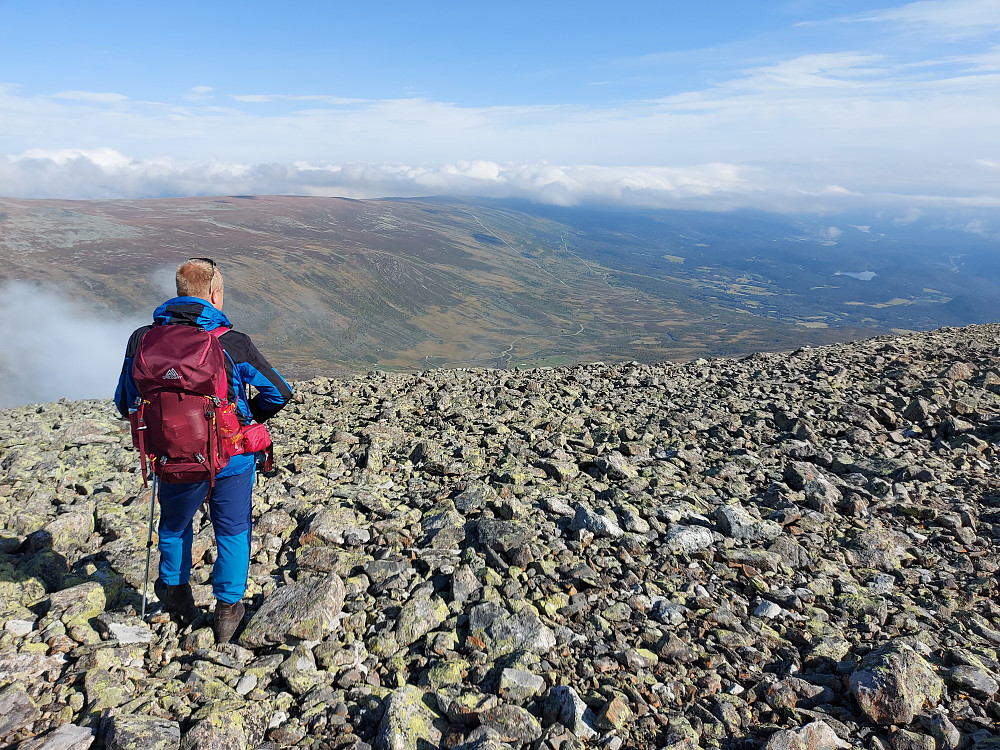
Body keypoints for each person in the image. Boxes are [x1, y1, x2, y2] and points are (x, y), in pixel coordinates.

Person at [115, 258, 292, 642]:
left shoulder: (142, 340)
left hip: (171, 456)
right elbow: (280, 391)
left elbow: (124, 401)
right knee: (232, 528)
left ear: (179, 292)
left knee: (175, 524)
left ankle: (176, 594)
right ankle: (228, 611)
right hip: (230, 457)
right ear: (215, 295)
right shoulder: (232, 342)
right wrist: (247, 420)